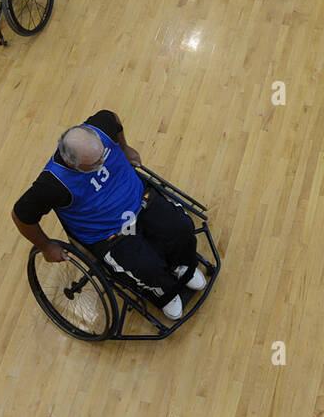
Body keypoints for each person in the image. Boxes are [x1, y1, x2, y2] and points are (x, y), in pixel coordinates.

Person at [11, 110, 205, 320]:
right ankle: (164, 294)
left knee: (181, 227)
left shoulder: (102, 124)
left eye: (103, 156)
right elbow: (20, 216)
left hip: (141, 201)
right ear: (71, 163)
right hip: (111, 234)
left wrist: (125, 148)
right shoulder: (51, 185)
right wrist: (46, 246)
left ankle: (182, 265)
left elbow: (113, 117)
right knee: (147, 268)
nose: (102, 164)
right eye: (94, 164)